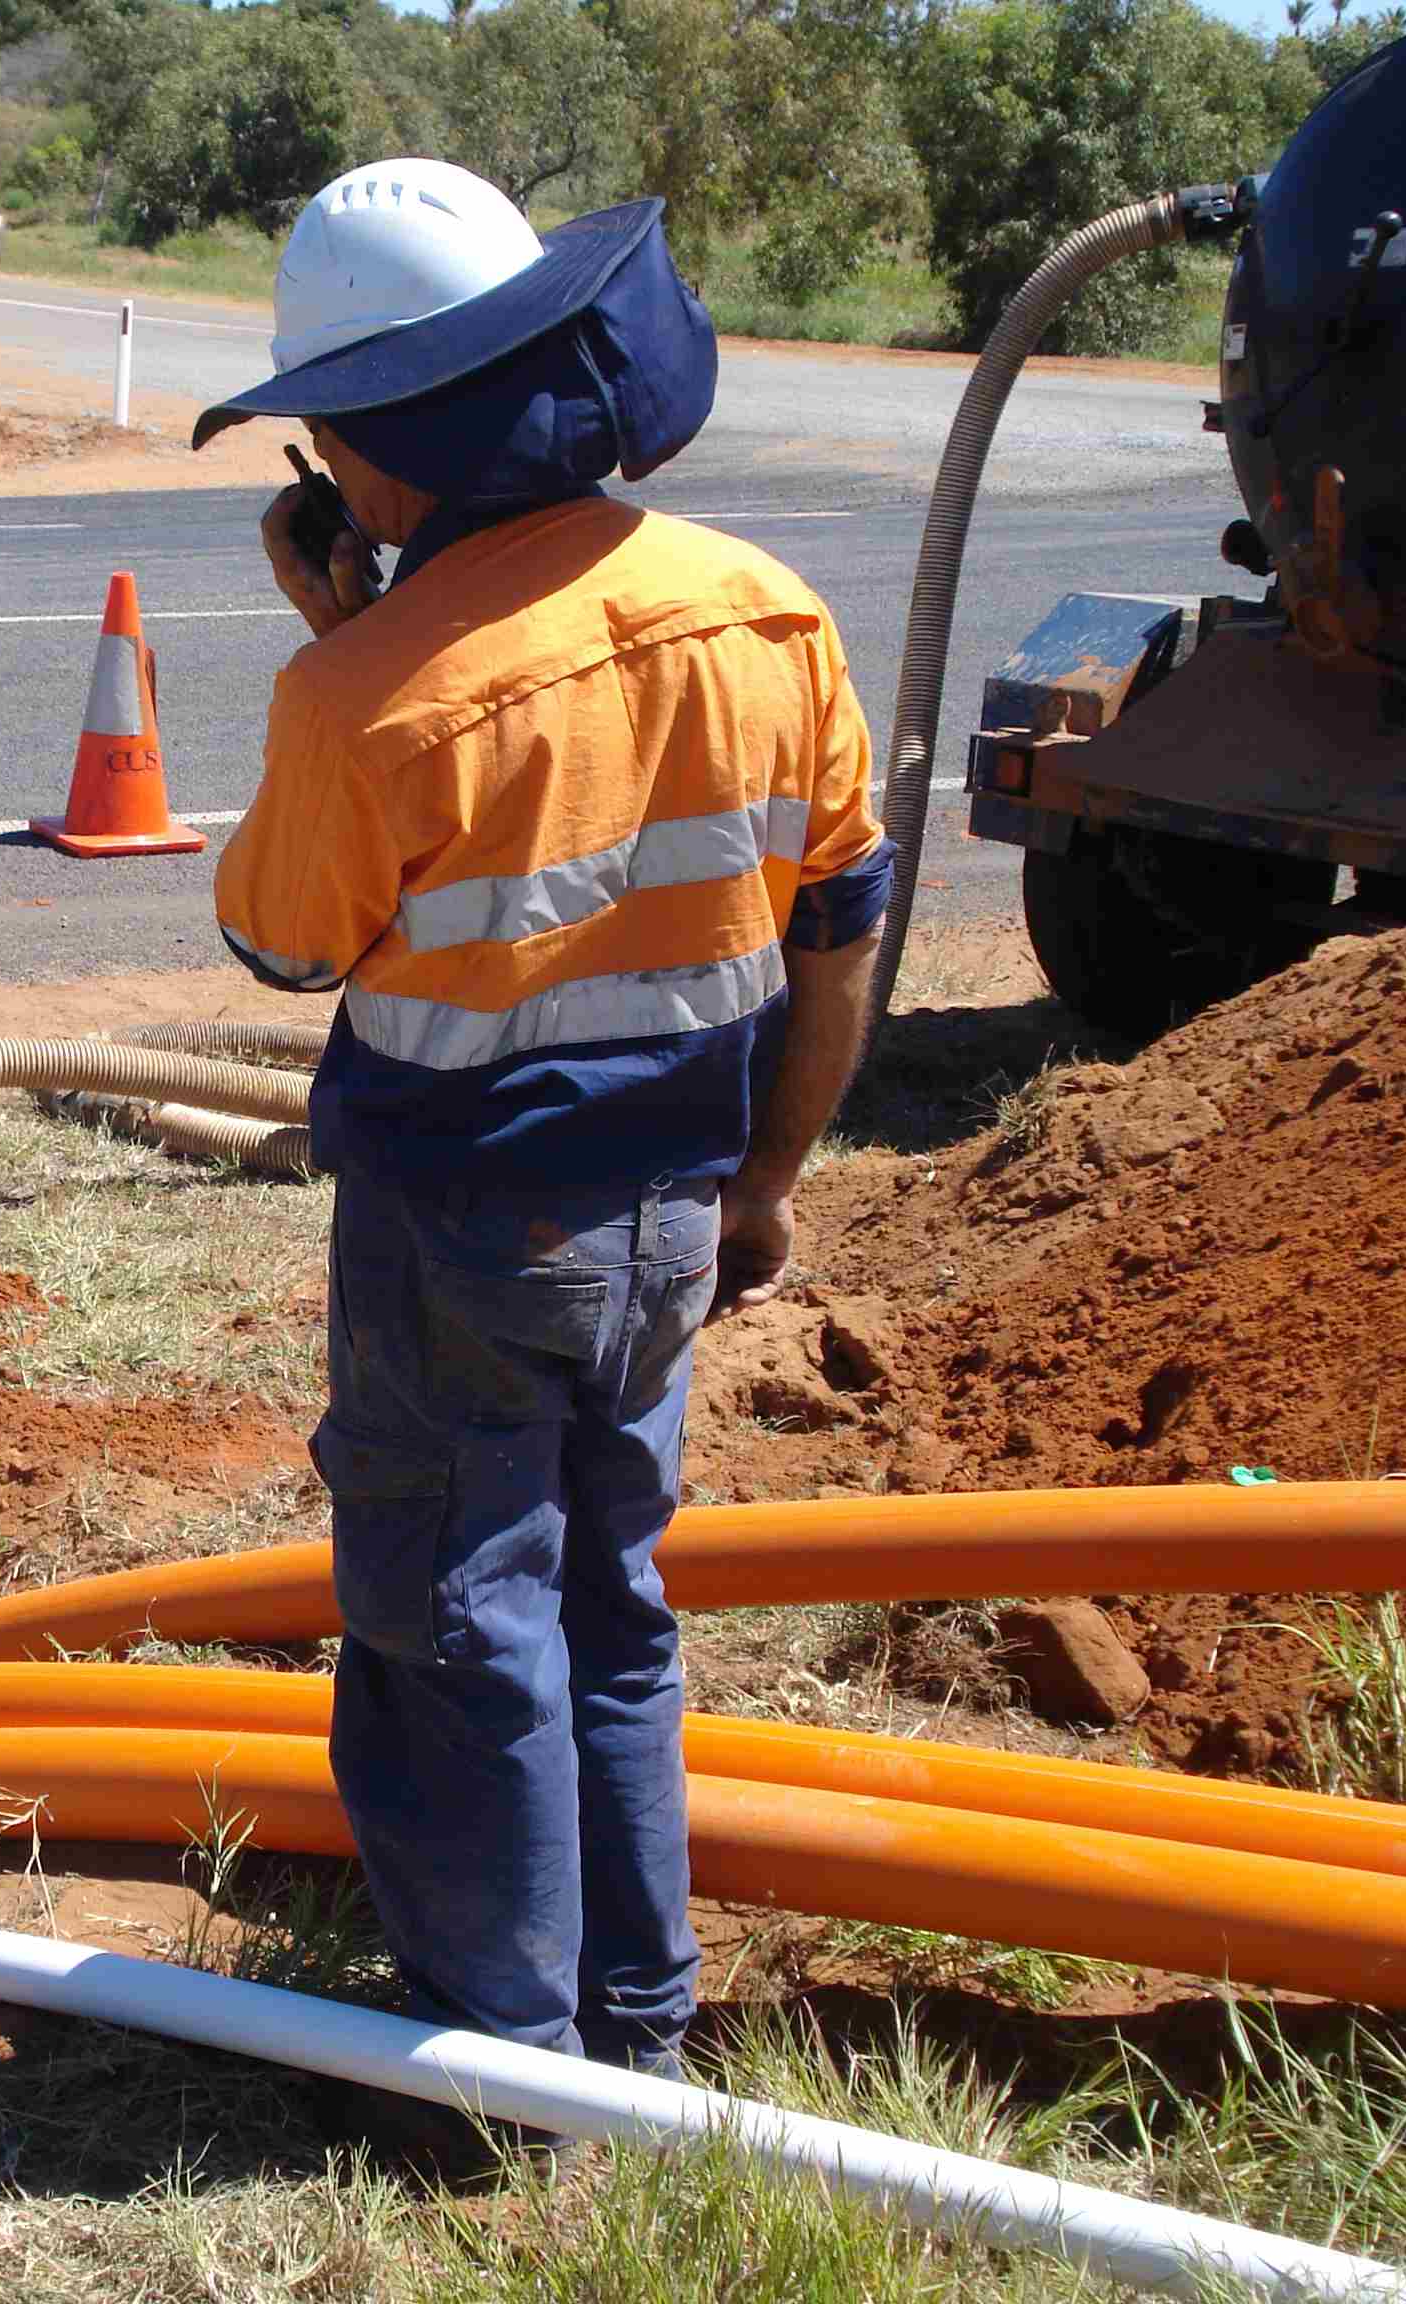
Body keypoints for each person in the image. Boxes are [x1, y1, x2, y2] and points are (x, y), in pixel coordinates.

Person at [199, 161, 895, 2110]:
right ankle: (636, 2020)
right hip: (675, 1208)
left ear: (361, 450)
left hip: (461, 1242)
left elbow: (275, 939)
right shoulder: (764, 614)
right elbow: (841, 921)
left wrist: (343, 637)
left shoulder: (371, 699)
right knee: (612, 1602)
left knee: (457, 1616)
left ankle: (509, 2066)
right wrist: (767, 1183)